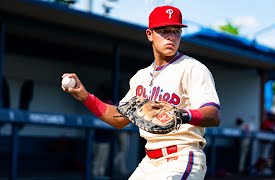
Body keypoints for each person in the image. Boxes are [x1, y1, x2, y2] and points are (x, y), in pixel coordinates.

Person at [62, 5, 221, 180]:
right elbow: (118, 118)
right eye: (164, 30)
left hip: (182, 156)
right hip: (149, 162)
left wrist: (181, 114)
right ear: (149, 34)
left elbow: (213, 115)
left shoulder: (193, 68)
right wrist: (85, 96)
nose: (171, 36)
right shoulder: (140, 77)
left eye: (176, 31)